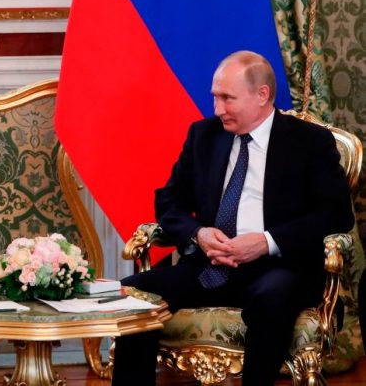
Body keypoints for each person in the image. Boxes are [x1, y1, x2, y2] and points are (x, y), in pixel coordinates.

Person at [112, 51, 354, 386]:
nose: (218, 109)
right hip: (209, 267)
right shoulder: (204, 135)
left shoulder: (309, 142)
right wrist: (198, 233)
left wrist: (266, 242)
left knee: (273, 296)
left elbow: (335, 214)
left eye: (227, 98)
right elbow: (169, 201)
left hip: (278, 268)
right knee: (134, 293)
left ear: (262, 95)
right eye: (215, 97)